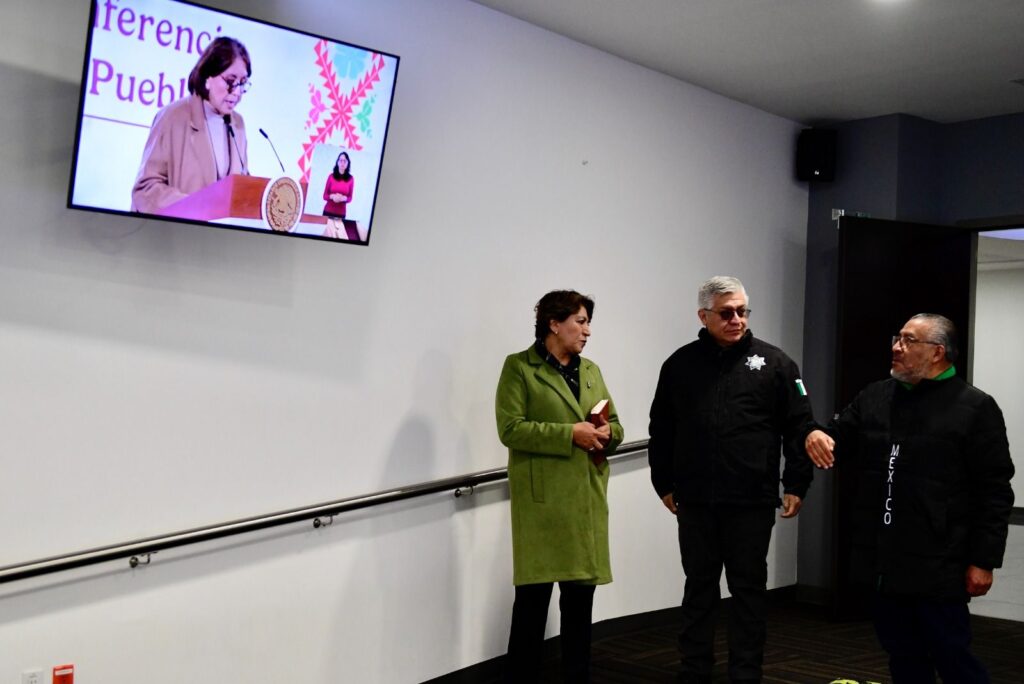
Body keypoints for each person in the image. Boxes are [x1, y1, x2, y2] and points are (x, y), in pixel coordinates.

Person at [805, 313, 1014, 684]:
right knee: (902, 655)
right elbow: (837, 438)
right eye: (897, 338)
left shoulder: (975, 408)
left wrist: (984, 560)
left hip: (940, 560)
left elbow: (994, 491)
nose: (896, 348)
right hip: (885, 559)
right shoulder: (876, 396)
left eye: (908, 340)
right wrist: (815, 434)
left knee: (951, 655)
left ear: (937, 352)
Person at [647, 276, 815, 684]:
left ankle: (745, 672)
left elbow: (800, 427)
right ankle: (695, 669)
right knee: (699, 589)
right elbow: (661, 428)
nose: (737, 319)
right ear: (703, 316)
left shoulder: (776, 364)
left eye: (742, 311)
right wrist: (663, 482)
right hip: (696, 499)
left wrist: (796, 483)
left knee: (748, 592)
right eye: (726, 313)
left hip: (751, 500)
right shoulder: (679, 365)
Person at [495, 290, 625, 683]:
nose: (587, 331)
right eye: (580, 322)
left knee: (580, 607)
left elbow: (616, 425)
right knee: (531, 608)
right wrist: (570, 434)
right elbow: (510, 429)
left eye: (588, 323)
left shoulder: (591, 371)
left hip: (585, 502)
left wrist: (608, 434)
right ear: (554, 323)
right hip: (543, 507)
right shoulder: (520, 367)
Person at [131, 37, 251, 214]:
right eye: (231, 81)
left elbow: (242, 184)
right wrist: (194, 206)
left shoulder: (238, 125)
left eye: (243, 83)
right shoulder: (172, 117)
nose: (238, 92)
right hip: (178, 229)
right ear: (208, 77)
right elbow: (145, 190)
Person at [322, 151, 354, 239]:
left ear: (348, 163)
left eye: (345, 161)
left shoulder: (351, 179)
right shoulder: (331, 176)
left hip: (341, 214)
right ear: (337, 162)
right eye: (340, 160)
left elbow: (350, 198)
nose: (342, 163)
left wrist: (343, 198)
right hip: (328, 212)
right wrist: (332, 196)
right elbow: (324, 196)